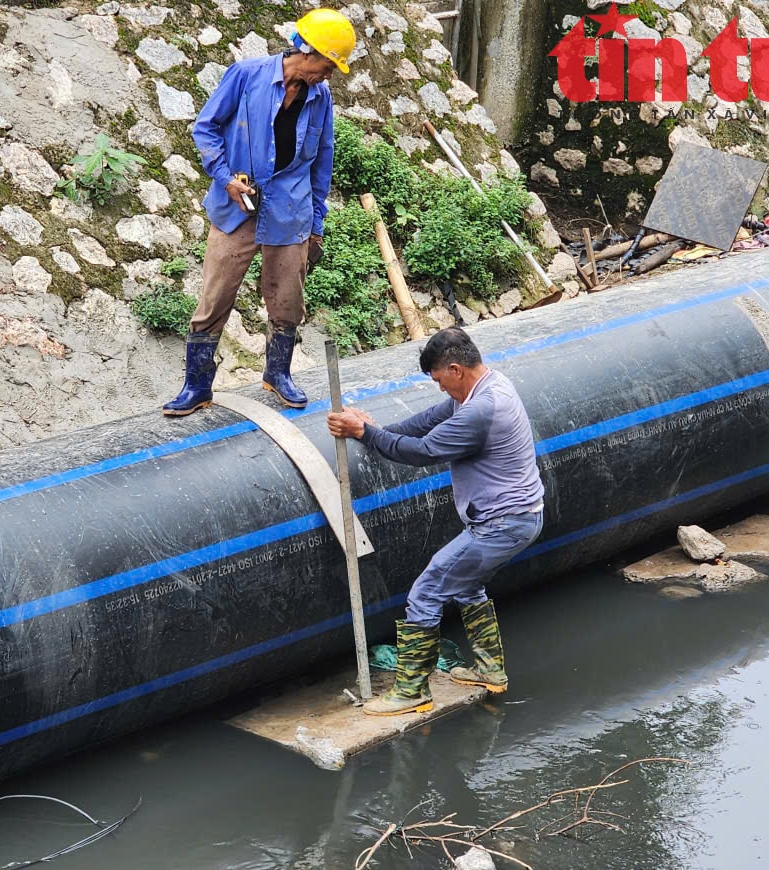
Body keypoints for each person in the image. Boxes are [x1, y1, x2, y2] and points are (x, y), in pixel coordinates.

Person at [326, 327, 545, 716]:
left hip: (502, 525)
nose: (441, 389)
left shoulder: (480, 410)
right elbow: (426, 421)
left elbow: (423, 451)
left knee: (426, 592)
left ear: (457, 369)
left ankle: (412, 690)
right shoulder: (486, 387)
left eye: (440, 380)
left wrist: (366, 433)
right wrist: (372, 430)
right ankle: (489, 670)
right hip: (516, 519)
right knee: (466, 585)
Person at [162, 8, 356, 416]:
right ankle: (196, 385)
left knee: (287, 300)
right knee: (215, 297)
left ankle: (278, 374)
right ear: (307, 52)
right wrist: (225, 177)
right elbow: (205, 128)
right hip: (237, 209)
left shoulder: (321, 98)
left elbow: (322, 160)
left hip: (290, 212)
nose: (329, 75)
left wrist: (316, 225)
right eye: (328, 65)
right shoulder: (246, 76)